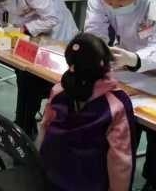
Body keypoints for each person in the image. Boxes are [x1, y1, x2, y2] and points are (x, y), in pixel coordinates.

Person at [86, 0, 156, 191]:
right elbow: (95, 30)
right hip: (129, 68)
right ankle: (121, 175)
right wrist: (98, 52)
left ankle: (154, 180)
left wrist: (135, 60)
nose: (114, 3)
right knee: (127, 119)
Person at [0, 0, 78, 139]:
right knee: (24, 75)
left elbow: (51, 18)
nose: (2, 1)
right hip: (27, 33)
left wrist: (24, 29)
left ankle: (36, 120)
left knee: (43, 79)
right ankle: (25, 120)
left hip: (55, 33)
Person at [39, 33, 137, 191]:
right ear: (105, 63)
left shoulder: (58, 90)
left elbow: (44, 129)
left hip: (51, 179)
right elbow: (120, 161)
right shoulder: (117, 104)